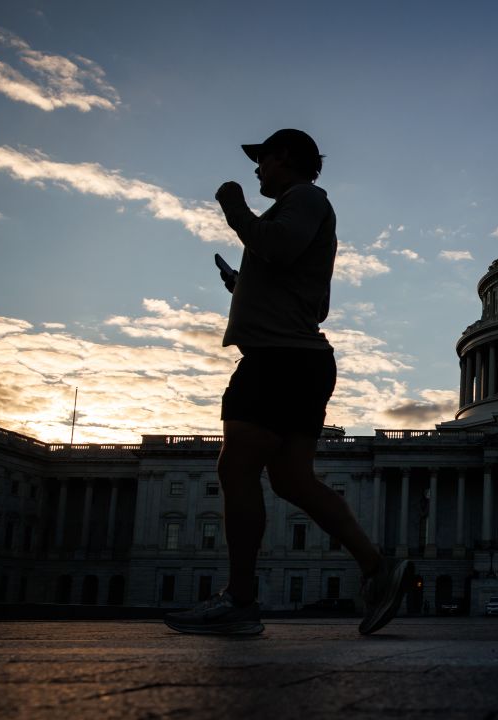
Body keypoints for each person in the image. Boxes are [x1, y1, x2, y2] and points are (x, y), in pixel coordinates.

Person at [165, 129, 412, 635]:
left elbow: (276, 248)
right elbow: (302, 289)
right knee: (293, 480)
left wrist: (234, 207)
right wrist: (244, 284)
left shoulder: (305, 200)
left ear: (284, 158)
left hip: (279, 360)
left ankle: (239, 600)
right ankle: (378, 568)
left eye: (262, 160)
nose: (257, 170)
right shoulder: (302, 210)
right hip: (299, 360)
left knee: (236, 467)